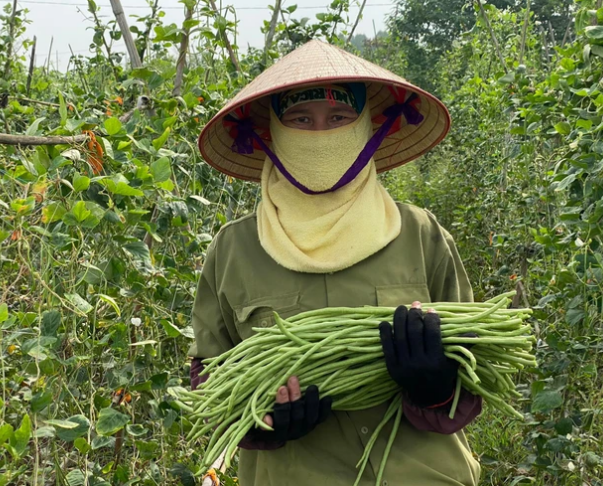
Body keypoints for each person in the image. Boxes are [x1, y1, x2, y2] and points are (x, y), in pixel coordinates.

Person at [189, 40, 482, 486]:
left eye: (339, 118)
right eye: (301, 119)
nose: (321, 133)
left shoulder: (420, 235)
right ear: (273, 132)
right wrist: (261, 419)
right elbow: (209, 385)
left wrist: (438, 387)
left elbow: (475, 364)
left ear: (366, 127)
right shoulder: (234, 251)